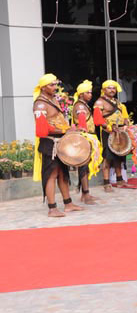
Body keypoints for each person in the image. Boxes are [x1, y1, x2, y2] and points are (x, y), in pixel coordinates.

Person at [32, 74, 83, 217]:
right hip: (50, 143)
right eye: (51, 85)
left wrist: (68, 129)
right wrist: (65, 130)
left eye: (55, 84)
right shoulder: (40, 104)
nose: (55, 87)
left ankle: (68, 204)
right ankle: (52, 208)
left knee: (63, 173)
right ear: (43, 87)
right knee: (51, 175)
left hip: (60, 142)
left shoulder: (53, 99)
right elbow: (42, 130)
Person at [93, 80, 132, 192]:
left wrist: (126, 123)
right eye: (109, 88)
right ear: (104, 90)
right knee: (107, 157)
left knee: (119, 156)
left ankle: (120, 180)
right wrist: (109, 127)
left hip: (119, 132)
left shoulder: (117, 101)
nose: (112, 90)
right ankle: (106, 183)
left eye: (113, 88)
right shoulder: (99, 102)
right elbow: (97, 120)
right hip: (107, 132)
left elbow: (124, 116)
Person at [71, 79, 99, 204]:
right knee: (83, 167)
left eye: (91, 92)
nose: (90, 95)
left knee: (86, 167)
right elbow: (82, 124)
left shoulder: (83, 105)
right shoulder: (80, 106)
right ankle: (85, 194)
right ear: (81, 94)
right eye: (88, 92)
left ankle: (85, 193)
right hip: (85, 137)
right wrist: (86, 137)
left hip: (87, 136)